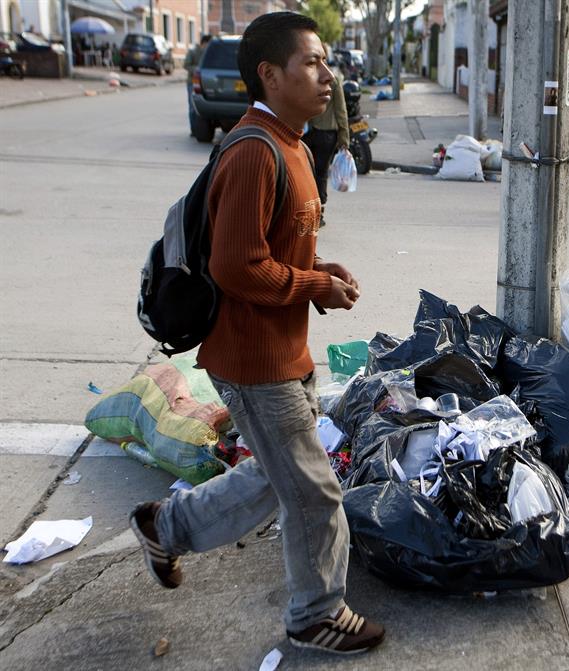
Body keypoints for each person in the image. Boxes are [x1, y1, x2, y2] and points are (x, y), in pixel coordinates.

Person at [128, 12, 384, 655]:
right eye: (312, 63)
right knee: (315, 493)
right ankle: (316, 614)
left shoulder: (293, 144)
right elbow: (237, 267)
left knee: (278, 479)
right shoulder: (253, 151)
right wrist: (314, 286)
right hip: (252, 359)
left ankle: (166, 526)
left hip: (283, 351)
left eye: (327, 62)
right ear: (270, 74)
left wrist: (319, 270)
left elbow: (274, 245)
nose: (328, 76)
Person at [303, 68, 349, 228]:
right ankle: (318, 214)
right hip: (326, 134)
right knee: (321, 174)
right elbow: (341, 110)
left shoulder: (306, 77)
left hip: (307, 132)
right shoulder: (333, 80)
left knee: (307, 174)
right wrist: (344, 137)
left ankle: (309, 211)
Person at [184, 34, 211, 130]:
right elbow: (186, 65)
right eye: (208, 44)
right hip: (192, 82)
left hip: (205, 83)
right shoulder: (193, 52)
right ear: (204, 43)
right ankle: (193, 129)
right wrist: (196, 70)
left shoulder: (208, 53)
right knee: (192, 107)